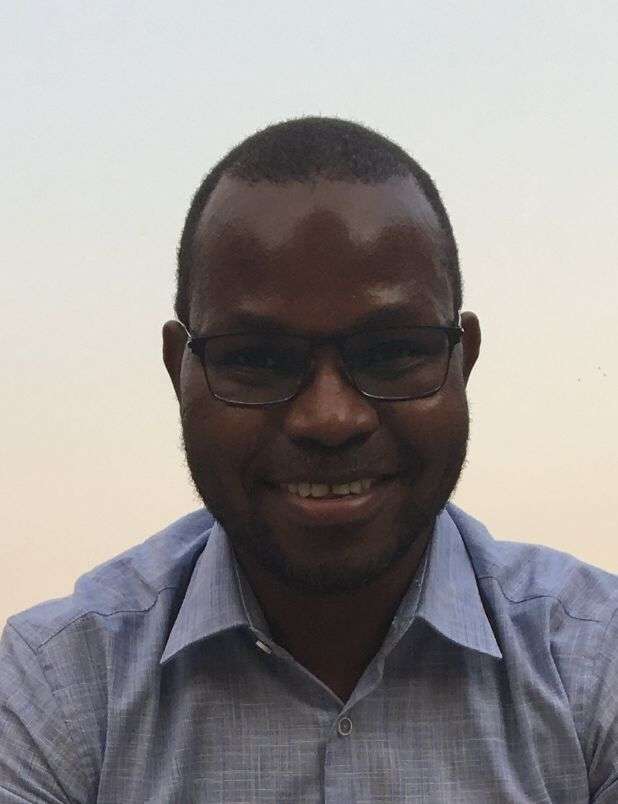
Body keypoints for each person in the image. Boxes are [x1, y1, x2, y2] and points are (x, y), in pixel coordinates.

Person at [1, 117, 616, 803]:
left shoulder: (597, 667)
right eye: (258, 359)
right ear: (182, 372)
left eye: (390, 351)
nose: (330, 418)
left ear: (462, 362)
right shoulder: (57, 688)